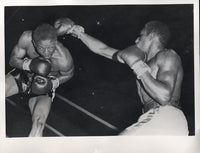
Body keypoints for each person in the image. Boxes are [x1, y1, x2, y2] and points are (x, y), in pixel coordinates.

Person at [54, 18, 189, 135]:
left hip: (166, 117)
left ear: (151, 36)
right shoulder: (141, 61)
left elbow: (164, 97)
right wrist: (75, 31)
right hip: (155, 119)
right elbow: (103, 49)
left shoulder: (167, 56)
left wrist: (137, 65)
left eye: (140, 36)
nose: (136, 40)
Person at [6, 23, 74, 137]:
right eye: (41, 48)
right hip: (23, 76)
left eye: (51, 48)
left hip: (45, 85)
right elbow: (12, 60)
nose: (47, 52)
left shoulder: (64, 59)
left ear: (56, 42)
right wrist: (29, 64)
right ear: (33, 42)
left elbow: (69, 74)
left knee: (38, 125)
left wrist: (52, 83)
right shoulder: (26, 38)